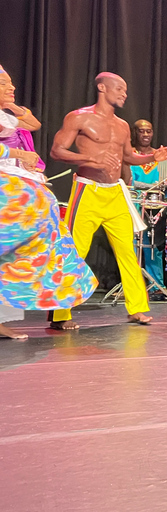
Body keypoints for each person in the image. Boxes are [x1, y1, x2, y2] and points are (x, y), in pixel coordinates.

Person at [49, 72, 167, 329]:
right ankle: (60, 314)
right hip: (87, 191)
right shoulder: (79, 117)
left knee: (128, 251)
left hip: (115, 192)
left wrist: (153, 158)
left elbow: (128, 157)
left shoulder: (123, 126)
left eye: (125, 90)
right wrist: (89, 160)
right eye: (119, 89)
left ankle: (137, 308)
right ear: (102, 88)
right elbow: (56, 151)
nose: (124, 94)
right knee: (75, 252)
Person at [0, 64, 97, 339]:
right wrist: (19, 152)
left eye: (11, 84)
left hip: (13, 178)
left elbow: (34, 124)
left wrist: (12, 104)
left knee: (21, 249)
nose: (13, 88)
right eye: (6, 83)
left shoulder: (5, 116)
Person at [127, 119, 167, 298]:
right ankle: (132, 286)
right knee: (131, 247)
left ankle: (156, 285)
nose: (146, 135)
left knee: (152, 248)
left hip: (154, 210)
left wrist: (163, 199)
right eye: (141, 131)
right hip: (132, 207)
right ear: (135, 133)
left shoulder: (161, 157)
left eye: (149, 131)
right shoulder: (129, 155)